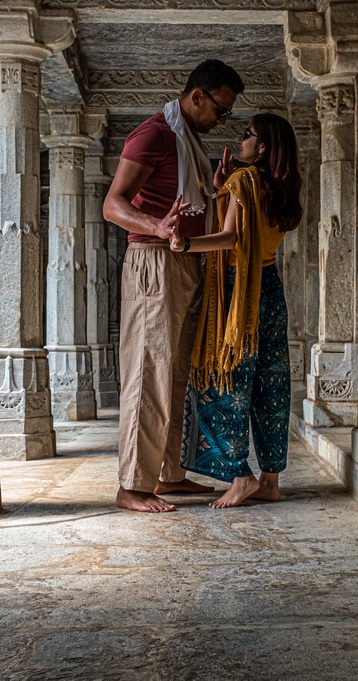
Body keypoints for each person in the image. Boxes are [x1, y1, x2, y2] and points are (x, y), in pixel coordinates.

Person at [103, 60, 245, 513]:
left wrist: (216, 189)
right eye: (219, 110)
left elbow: (192, 208)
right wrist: (155, 226)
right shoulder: (154, 135)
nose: (221, 122)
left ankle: (167, 474)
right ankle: (131, 484)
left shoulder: (189, 145)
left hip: (182, 262)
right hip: (153, 261)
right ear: (197, 96)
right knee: (147, 373)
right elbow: (112, 204)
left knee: (176, 373)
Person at [169, 113, 303, 508]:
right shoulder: (281, 188)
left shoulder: (244, 181)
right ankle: (271, 480)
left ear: (262, 148)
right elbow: (251, 229)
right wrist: (220, 188)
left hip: (237, 293)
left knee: (222, 381)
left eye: (247, 135)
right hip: (269, 289)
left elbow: (230, 237)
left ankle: (239, 475)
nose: (240, 140)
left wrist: (186, 245)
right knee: (271, 385)